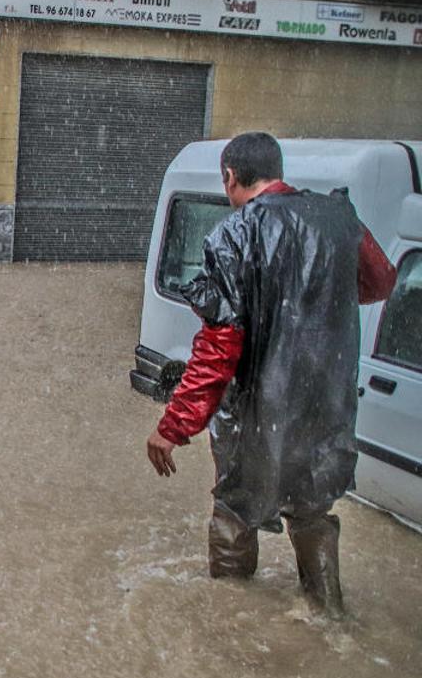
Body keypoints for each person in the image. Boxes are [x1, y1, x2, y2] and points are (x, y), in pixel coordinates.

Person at [145, 132, 397, 617]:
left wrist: (172, 427)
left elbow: (218, 350)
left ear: (230, 177)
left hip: (260, 410)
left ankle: (229, 620)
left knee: (236, 509)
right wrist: (317, 299)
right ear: (277, 171)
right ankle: (329, 618)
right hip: (326, 408)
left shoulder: (233, 235)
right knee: (312, 511)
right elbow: (380, 282)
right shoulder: (340, 221)